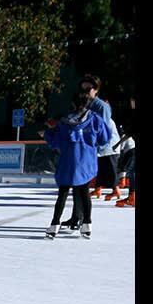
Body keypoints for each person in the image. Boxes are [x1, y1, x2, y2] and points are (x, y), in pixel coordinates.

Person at [42, 89, 109, 239]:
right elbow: (104, 138)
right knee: (84, 193)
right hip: (86, 161)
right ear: (88, 103)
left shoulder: (64, 122)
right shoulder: (95, 119)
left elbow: (55, 142)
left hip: (68, 161)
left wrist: (48, 132)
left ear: (72, 103)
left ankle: (54, 225)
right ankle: (87, 224)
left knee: (63, 193)